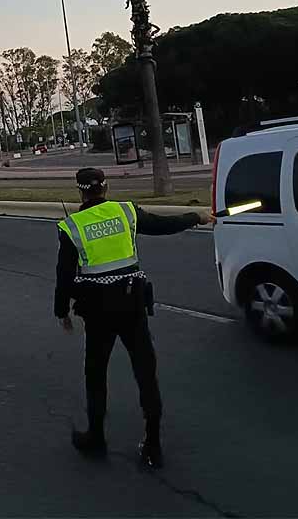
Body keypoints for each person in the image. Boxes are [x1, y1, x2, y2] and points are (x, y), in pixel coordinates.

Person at [54, 167, 212, 469]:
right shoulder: (126, 212)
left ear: (80, 191)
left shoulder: (71, 226)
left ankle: (96, 437)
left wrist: (62, 311)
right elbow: (164, 224)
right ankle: (153, 445)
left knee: (96, 373)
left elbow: (64, 277)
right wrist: (197, 217)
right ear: (106, 187)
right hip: (131, 306)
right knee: (145, 372)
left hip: (97, 312)